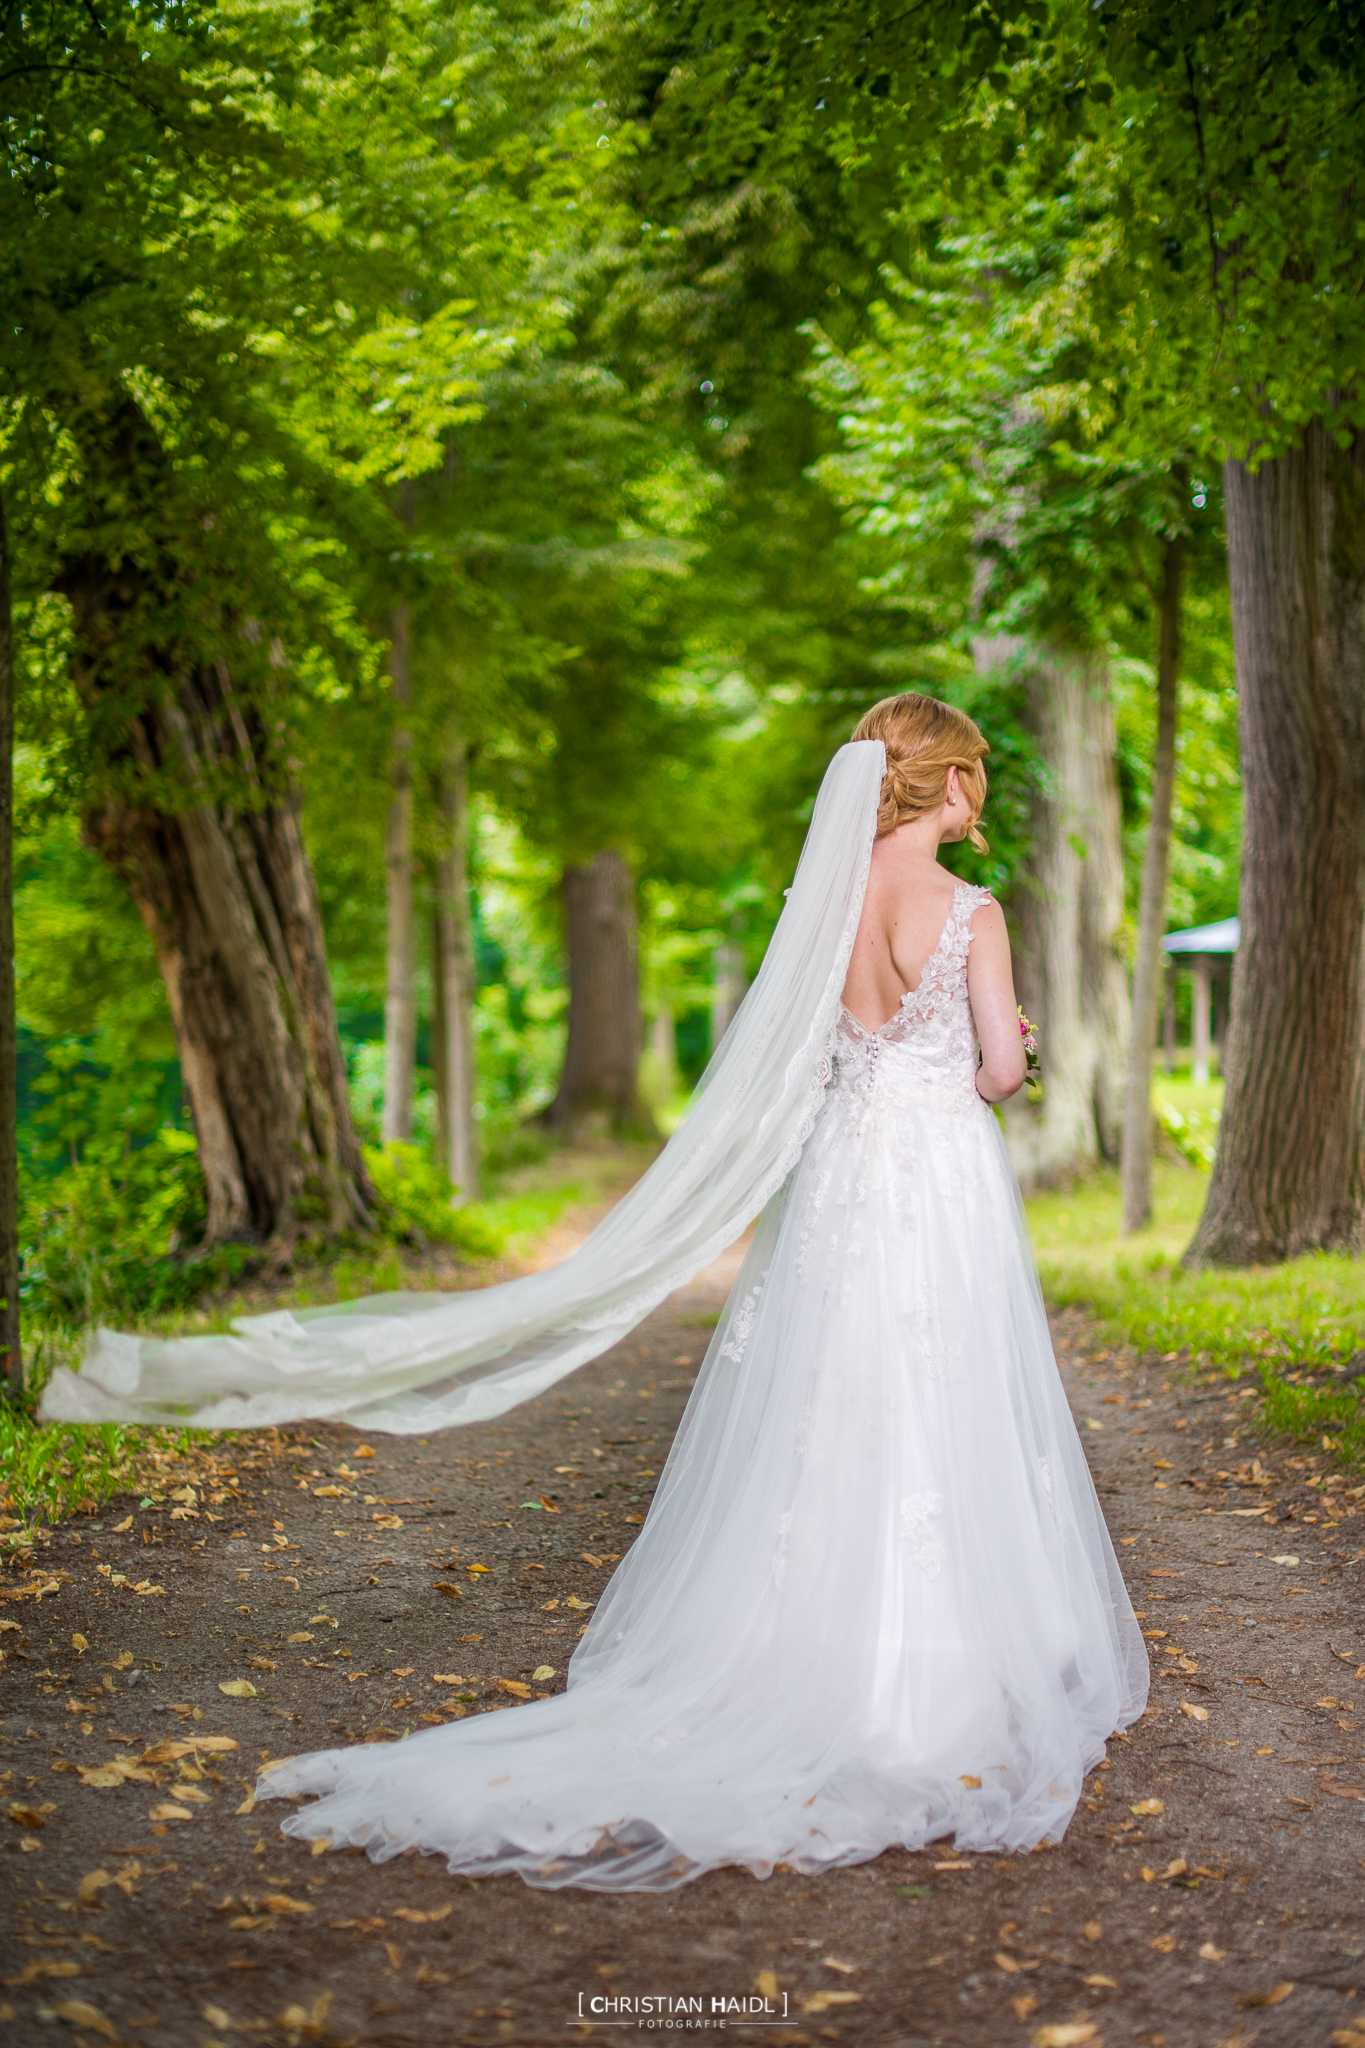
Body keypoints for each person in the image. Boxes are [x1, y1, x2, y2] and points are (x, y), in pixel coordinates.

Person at [245, 693, 1148, 1888]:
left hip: (841, 1185)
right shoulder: (971, 913)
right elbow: (992, 1070)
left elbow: (804, 1052)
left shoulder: (820, 909)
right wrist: (1021, 1047)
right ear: (953, 785)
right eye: (974, 771)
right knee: (943, 1390)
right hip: (938, 1182)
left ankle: (800, 1641)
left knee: (829, 1402)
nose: (981, 789)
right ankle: (932, 1663)